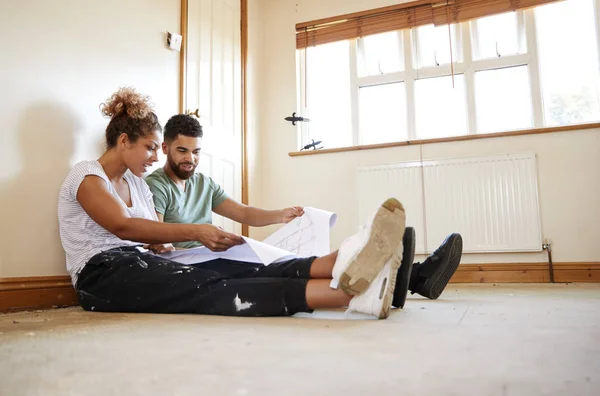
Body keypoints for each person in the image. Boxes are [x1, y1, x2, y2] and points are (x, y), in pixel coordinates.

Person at [145, 114, 464, 308]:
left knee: (296, 262)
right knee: (298, 266)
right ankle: (413, 277)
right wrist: (170, 247)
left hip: (226, 254)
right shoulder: (157, 184)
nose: (190, 159)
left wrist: (280, 215)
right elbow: (157, 235)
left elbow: (244, 213)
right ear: (166, 149)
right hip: (199, 265)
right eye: (182, 151)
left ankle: (411, 278)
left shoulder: (203, 182)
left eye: (196, 152)